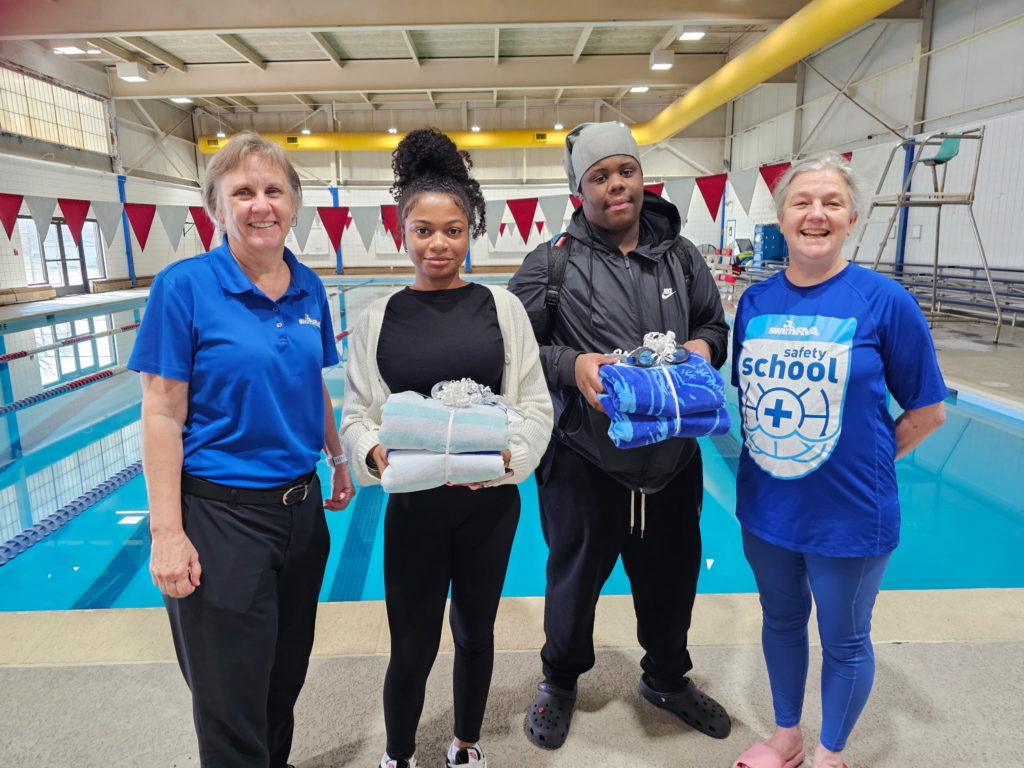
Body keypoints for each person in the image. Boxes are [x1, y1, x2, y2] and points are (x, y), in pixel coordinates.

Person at [128, 130, 354, 768]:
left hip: (301, 514)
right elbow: (161, 412)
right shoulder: (184, 287)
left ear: (293, 204)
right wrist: (166, 533)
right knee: (230, 699)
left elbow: (310, 382)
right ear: (217, 208)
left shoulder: (308, 286)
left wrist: (337, 457)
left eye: (274, 190)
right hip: (221, 517)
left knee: (283, 680)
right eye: (243, 192)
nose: (261, 204)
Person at [508, 121, 732, 749]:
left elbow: (715, 327)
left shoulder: (682, 257)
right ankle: (559, 682)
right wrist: (569, 364)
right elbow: (509, 349)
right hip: (585, 457)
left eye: (625, 171)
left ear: (641, 178)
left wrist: (703, 348)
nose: (616, 185)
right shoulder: (552, 262)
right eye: (599, 176)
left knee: (672, 579)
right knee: (573, 582)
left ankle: (666, 679)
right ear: (578, 191)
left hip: (672, 459)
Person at [340, 127, 553, 768]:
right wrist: (375, 455)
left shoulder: (502, 308)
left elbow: (535, 403)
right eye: (424, 230)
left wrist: (507, 459)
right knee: (411, 645)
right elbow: (357, 415)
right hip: (415, 507)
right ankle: (399, 755)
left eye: (453, 230)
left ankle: (465, 745)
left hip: (488, 504)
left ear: (472, 231)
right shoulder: (376, 318)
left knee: (476, 634)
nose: (439, 243)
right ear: (402, 233)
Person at [730, 152, 947, 768]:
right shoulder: (756, 301)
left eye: (832, 203)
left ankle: (830, 753)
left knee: (845, 639)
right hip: (767, 504)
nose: (816, 214)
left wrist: (868, 462)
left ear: (852, 218)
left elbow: (928, 411)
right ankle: (787, 737)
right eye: (802, 202)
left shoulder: (884, 300)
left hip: (849, 511)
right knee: (780, 620)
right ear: (781, 218)